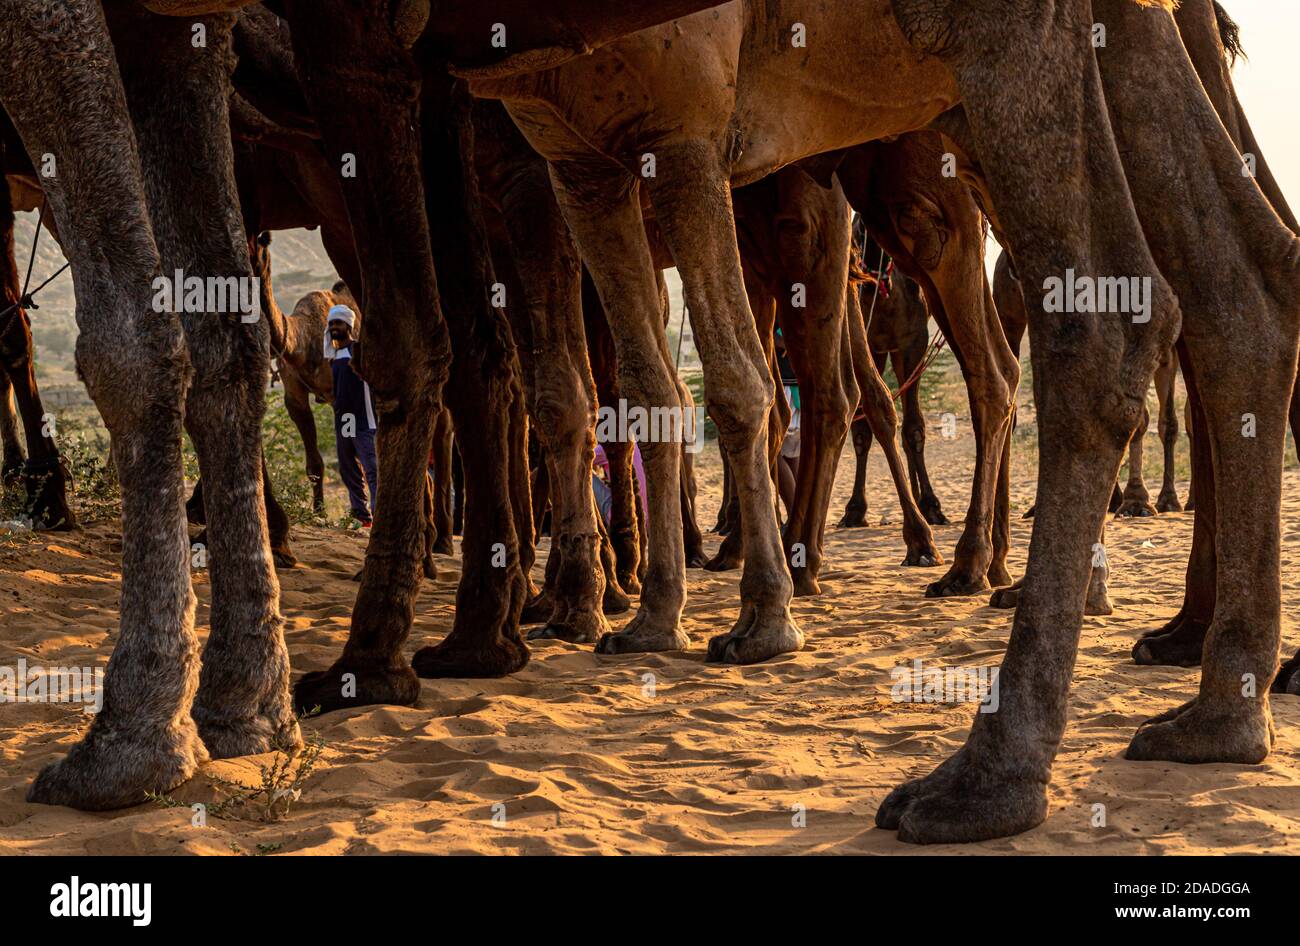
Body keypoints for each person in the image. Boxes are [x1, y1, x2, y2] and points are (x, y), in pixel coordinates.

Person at [325, 304, 377, 525]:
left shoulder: (359, 350)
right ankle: (361, 515)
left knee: (372, 469)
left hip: (363, 418)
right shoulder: (333, 356)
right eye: (331, 324)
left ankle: (380, 515)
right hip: (343, 420)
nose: (334, 327)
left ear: (348, 325)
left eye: (338, 323)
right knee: (348, 470)